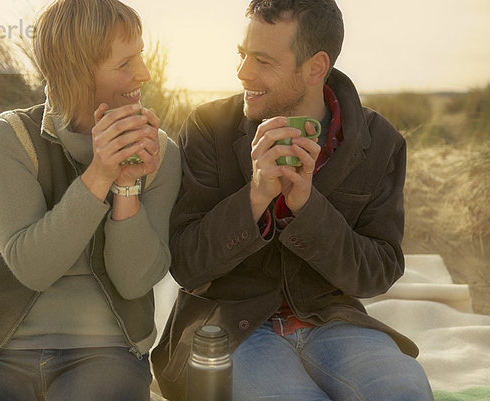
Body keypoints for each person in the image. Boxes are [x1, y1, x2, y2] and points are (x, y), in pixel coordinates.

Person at [152, 0, 433, 400]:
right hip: (232, 327)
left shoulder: (380, 143)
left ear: (316, 67)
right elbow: (185, 264)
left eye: (263, 61)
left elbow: (378, 272)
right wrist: (255, 196)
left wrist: (308, 209)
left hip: (334, 322)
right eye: (242, 54)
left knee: (405, 390)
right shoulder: (207, 129)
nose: (242, 72)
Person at [0, 0, 181, 400]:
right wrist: (99, 173)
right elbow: (33, 267)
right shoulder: (8, 138)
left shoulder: (159, 154)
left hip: (108, 353)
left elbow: (135, 280)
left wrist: (126, 186)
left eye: (141, 56)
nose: (144, 73)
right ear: (76, 72)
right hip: (2, 349)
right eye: (125, 64)